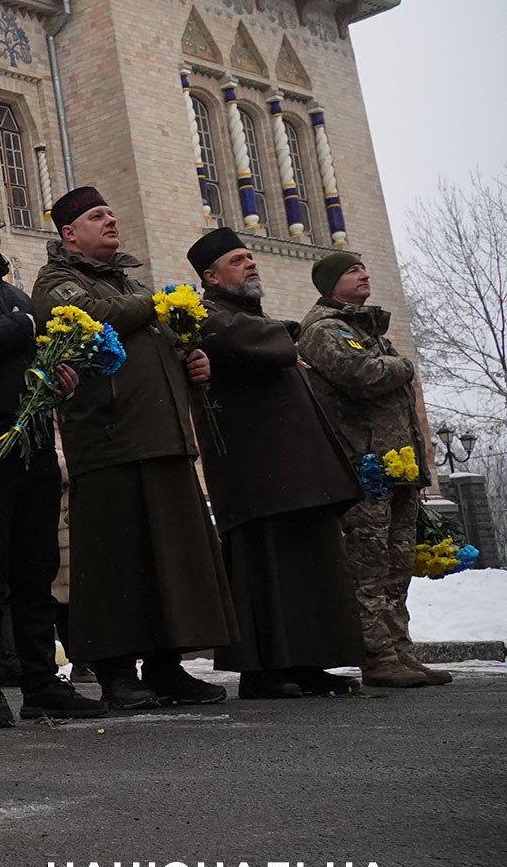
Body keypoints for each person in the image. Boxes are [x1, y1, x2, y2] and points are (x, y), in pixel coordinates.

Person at [31, 186, 236, 711]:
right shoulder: (58, 281)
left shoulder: (129, 280)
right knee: (115, 563)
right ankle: (117, 673)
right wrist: (158, 304)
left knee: (172, 560)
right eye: (98, 216)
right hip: (109, 442)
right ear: (69, 232)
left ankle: (169, 667)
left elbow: (159, 337)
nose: (112, 220)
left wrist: (192, 363)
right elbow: (95, 319)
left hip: (163, 438)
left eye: (112, 212)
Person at [0, 197, 104, 727]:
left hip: (30, 444)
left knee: (36, 570)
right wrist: (24, 329)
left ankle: (40, 683)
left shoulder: (10, 293)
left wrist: (54, 376)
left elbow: (25, 359)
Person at [187, 230, 363, 698]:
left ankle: (307, 662)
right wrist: (289, 330)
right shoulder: (207, 315)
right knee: (263, 568)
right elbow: (250, 340)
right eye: (237, 259)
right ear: (210, 276)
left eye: (251, 256)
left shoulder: (249, 313)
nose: (251, 263)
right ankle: (262, 671)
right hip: (256, 473)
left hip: (295, 470)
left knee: (307, 565)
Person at [298, 251, 449, 689]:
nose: (364, 275)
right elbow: (361, 375)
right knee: (368, 565)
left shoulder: (367, 329)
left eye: (363, 268)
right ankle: (377, 656)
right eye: (352, 271)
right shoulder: (325, 330)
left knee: (397, 564)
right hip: (364, 470)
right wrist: (404, 366)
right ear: (329, 284)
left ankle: (401, 649)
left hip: (396, 466)